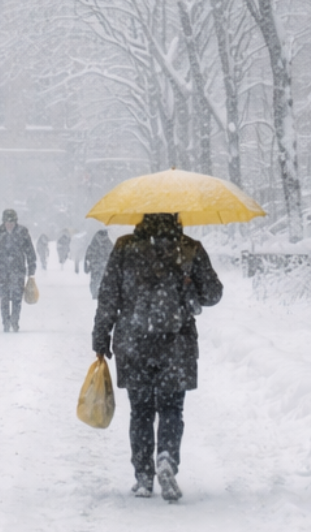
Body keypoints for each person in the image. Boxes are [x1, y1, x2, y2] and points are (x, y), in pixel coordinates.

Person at [89, 212, 223, 502]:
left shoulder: (124, 247)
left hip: (133, 343)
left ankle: (143, 475)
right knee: (172, 408)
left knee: (141, 411)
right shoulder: (189, 248)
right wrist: (188, 283)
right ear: (176, 217)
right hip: (176, 344)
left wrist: (101, 337)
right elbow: (213, 294)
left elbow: (108, 296)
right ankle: (167, 458)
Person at [0, 209, 36, 332]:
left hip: (18, 270)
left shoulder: (23, 232)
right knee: (4, 298)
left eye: (12, 222)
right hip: (2, 270)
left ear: (16, 222)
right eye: (7, 222)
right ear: (3, 222)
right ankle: (5, 321)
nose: (9, 225)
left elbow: (30, 251)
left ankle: (14, 320)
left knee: (17, 297)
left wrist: (31, 267)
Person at [83, 227, 113, 299]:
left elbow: (88, 254)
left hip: (95, 265)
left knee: (94, 279)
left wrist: (87, 265)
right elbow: (112, 254)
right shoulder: (108, 242)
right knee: (104, 279)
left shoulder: (94, 242)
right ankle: (102, 292)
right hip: (104, 265)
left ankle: (94, 292)